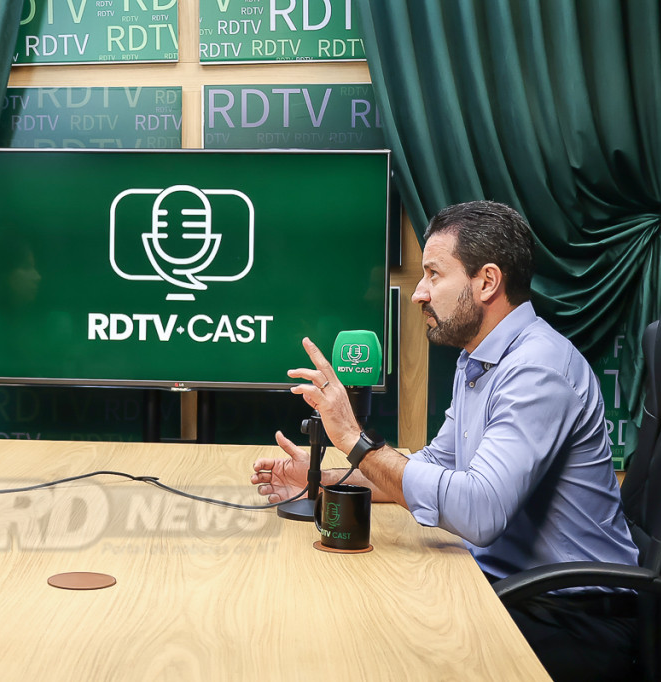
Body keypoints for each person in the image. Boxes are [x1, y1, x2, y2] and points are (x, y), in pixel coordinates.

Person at [251, 201, 640, 681]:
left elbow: (479, 512)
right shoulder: (478, 358)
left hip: (574, 616)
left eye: (433, 274)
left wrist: (352, 438)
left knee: (375, 645)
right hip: (508, 587)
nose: (418, 293)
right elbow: (434, 466)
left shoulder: (537, 370)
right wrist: (323, 480)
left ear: (487, 281)